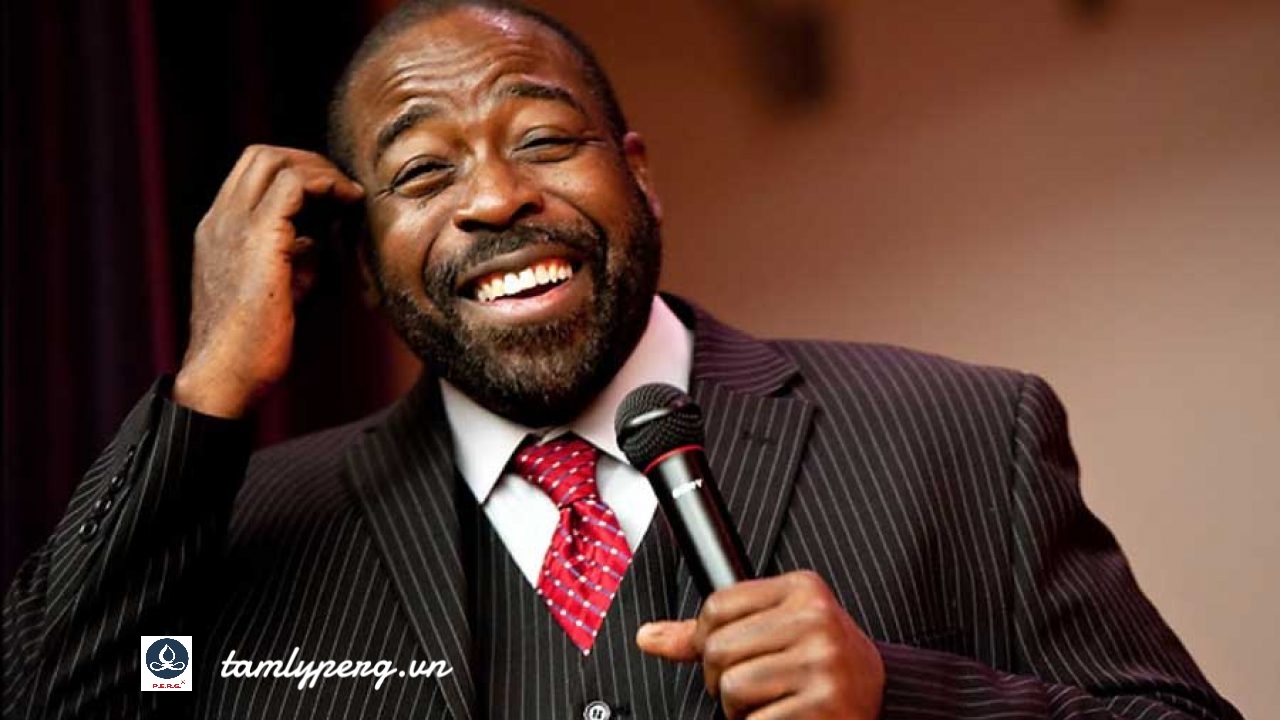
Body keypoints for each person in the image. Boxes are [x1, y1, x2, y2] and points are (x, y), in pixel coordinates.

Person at [1, 1, 1242, 719]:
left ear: (636, 177)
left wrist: (905, 699)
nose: (496, 196)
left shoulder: (956, 432)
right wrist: (206, 387)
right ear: (363, 261)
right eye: (423, 171)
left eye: (545, 139)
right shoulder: (250, 525)